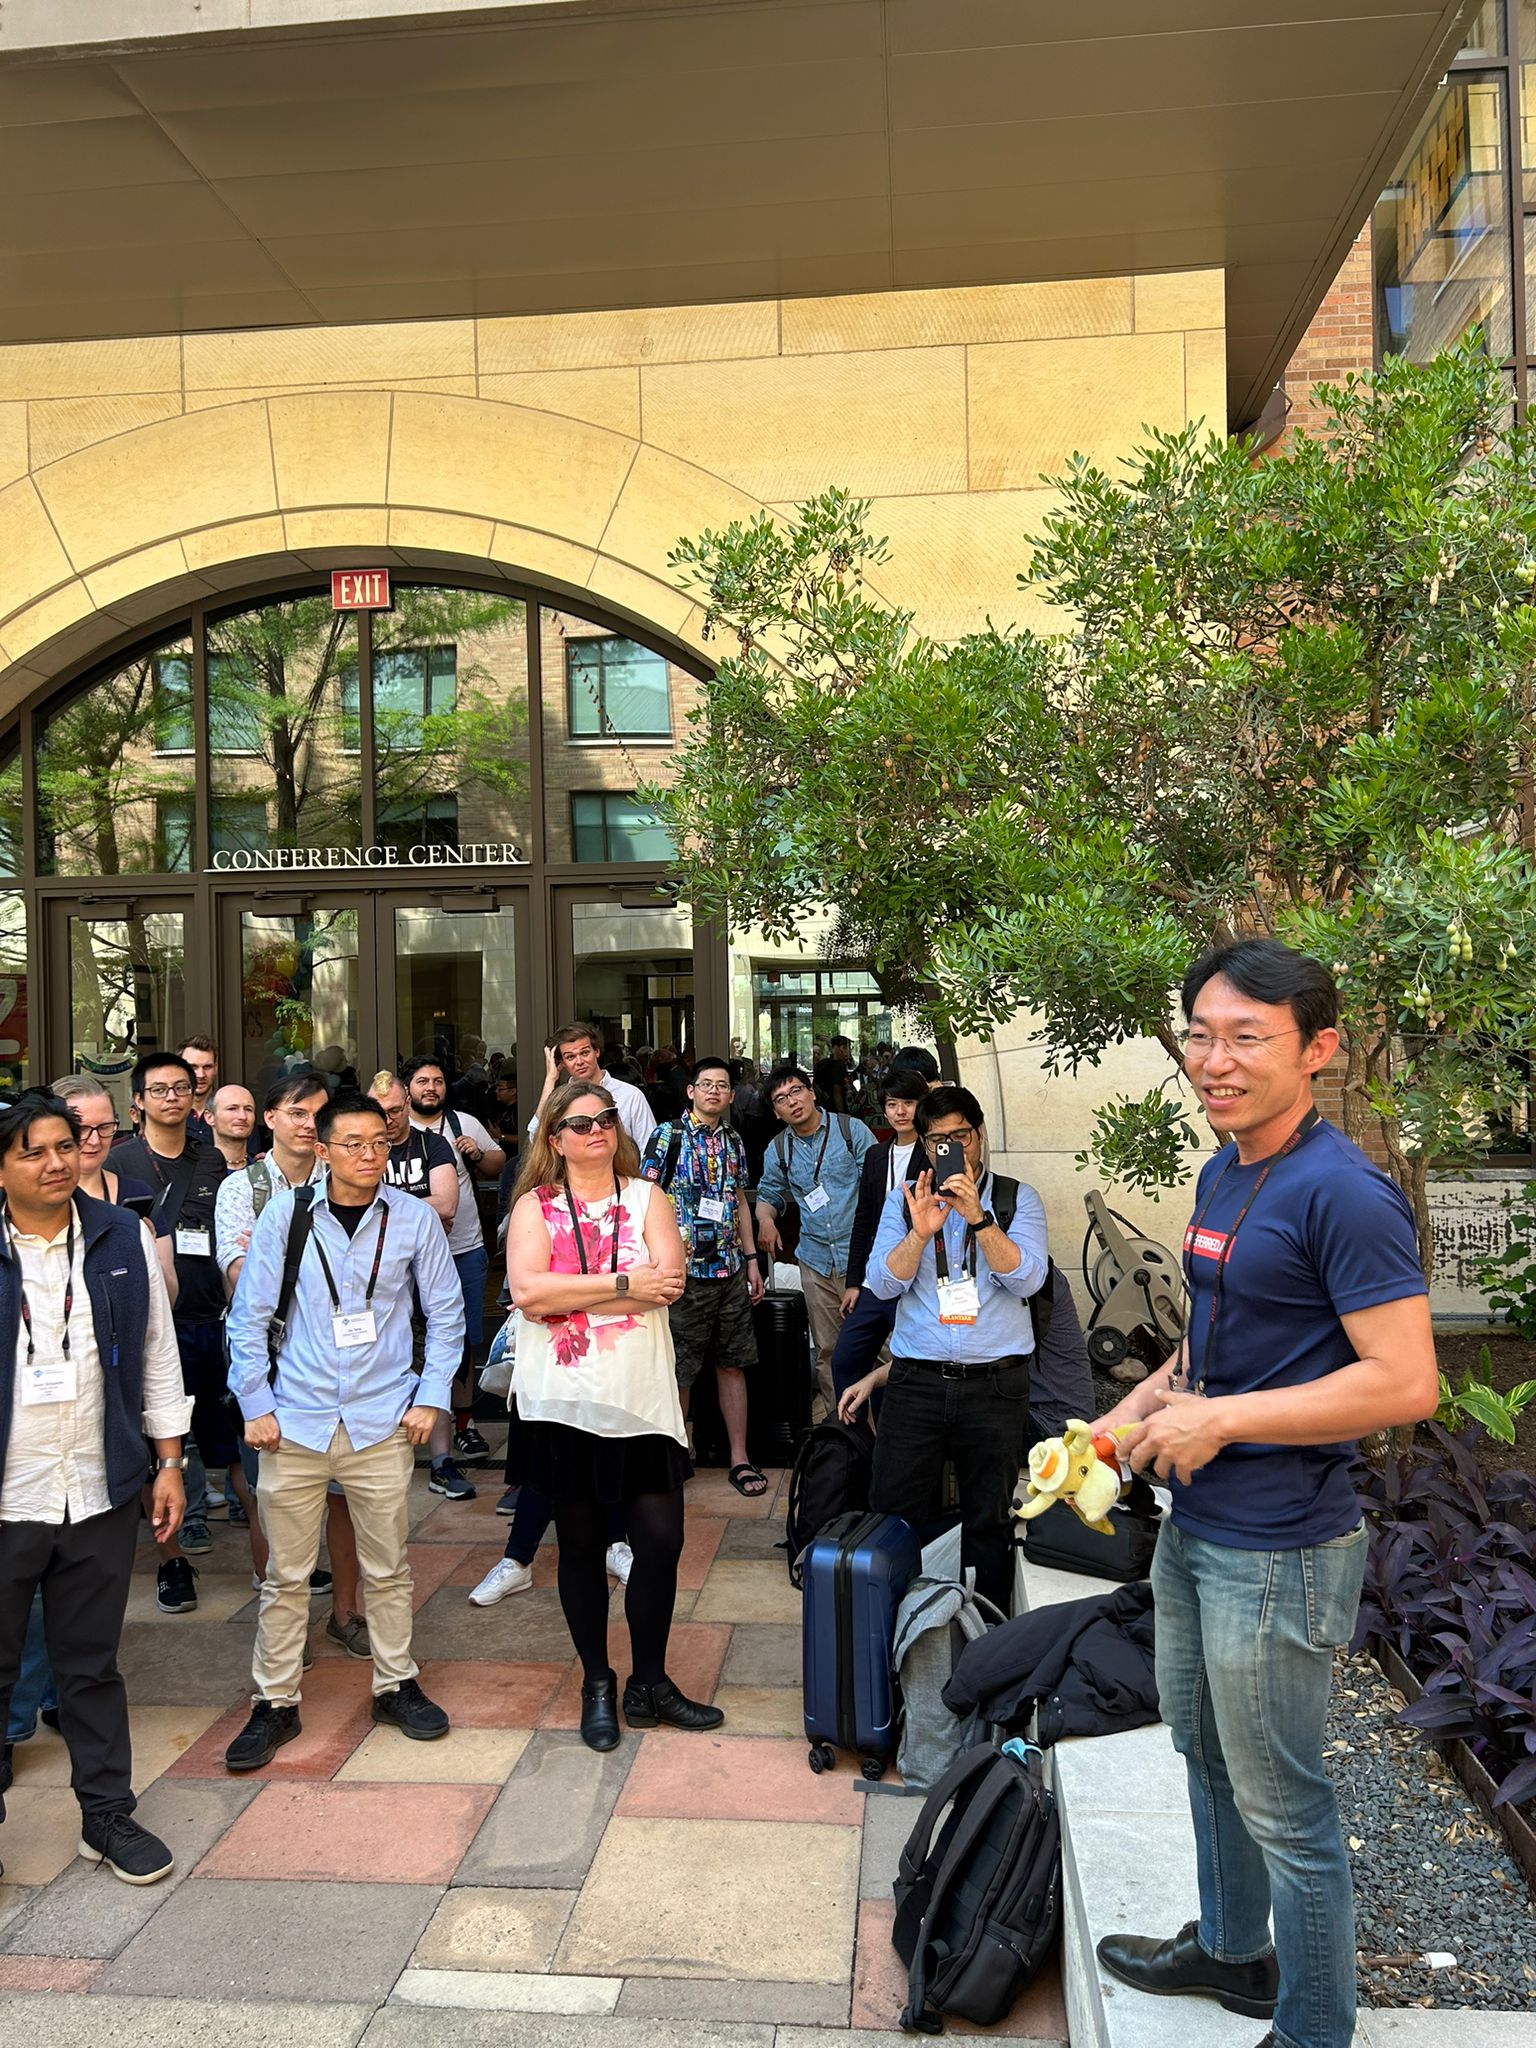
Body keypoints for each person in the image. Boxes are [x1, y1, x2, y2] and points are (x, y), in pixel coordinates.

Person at [1093, 941, 1437, 2048]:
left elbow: (1406, 1381)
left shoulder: (1345, 1192)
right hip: (1197, 1528)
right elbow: (1214, 1335)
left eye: (1247, 1036)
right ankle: (1234, 1947)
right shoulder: (1228, 1167)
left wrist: (1223, 1420)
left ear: (1318, 1048)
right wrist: (1140, 1405)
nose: (1214, 1060)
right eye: (1201, 1033)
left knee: (1286, 1802)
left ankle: (1312, 2028)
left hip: (1281, 1544)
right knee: (1198, 1747)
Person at [223, 1090, 465, 1771]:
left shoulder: (413, 1218)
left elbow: (446, 1317)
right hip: (294, 1420)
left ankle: (395, 1684)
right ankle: (274, 1702)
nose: (368, 1155)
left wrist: (431, 1397)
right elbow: (248, 1316)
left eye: (379, 1143)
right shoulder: (285, 1215)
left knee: (388, 1568)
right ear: (321, 1150)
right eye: (351, 1143)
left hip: (383, 1418)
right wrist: (255, 1402)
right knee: (286, 1575)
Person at [0, 1090, 192, 1884]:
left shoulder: (120, 1236)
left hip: (97, 1488)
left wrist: (170, 1460)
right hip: (10, 1497)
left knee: (90, 1664)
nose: (55, 1163)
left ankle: (106, 1816)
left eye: (64, 1145)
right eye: (31, 1151)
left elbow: (156, 1350)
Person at [506, 1080, 721, 1751]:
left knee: (660, 1543)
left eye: (603, 1120)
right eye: (578, 1123)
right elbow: (525, 1293)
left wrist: (568, 1296)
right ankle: (597, 1681)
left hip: (642, 1400)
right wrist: (625, 1285)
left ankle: (649, 1682)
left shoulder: (647, 1197)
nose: (594, 1131)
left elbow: (671, 1283)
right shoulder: (533, 1208)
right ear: (555, 1139)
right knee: (579, 1546)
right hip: (562, 1406)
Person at [854, 1085, 1048, 1613]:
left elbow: (1028, 1280)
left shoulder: (1015, 1198)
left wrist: (979, 1219)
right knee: (893, 1513)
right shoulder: (905, 1200)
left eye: (958, 1136)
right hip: (917, 1381)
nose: (949, 1149)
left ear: (978, 1136)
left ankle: (986, 1641)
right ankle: (892, 1637)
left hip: (996, 1383)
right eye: (935, 1140)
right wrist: (919, 1234)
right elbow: (880, 1283)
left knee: (989, 1519)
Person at [216, 1073, 364, 1658]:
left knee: (345, 1495)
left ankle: (346, 1613)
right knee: (273, 1495)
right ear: (269, 1118)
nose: (309, 1123)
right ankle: (286, 1627)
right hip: (273, 1363)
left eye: (319, 1113)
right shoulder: (243, 1189)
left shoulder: (351, 1179)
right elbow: (237, 1277)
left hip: (347, 1362)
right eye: (296, 1111)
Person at [111, 1052, 230, 1612]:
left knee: (226, 1437)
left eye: (181, 1088)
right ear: (137, 1101)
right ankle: (170, 1560)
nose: (171, 1098)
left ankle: (265, 1555)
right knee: (161, 1448)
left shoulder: (212, 1161)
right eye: (158, 1090)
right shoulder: (119, 1163)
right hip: (154, 1326)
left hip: (211, 1316)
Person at [640, 1056, 766, 1496]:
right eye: (706, 1084)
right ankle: (677, 1456)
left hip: (730, 1270)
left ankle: (739, 1458)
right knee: (680, 1370)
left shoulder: (734, 1140)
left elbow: (740, 1203)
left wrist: (752, 1260)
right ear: (690, 1091)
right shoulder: (667, 1136)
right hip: (683, 1273)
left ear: (732, 1096)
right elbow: (646, 1198)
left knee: (733, 1364)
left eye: (722, 1086)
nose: (714, 1091)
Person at [402, 1054, 505, 1490]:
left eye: (438, 1081)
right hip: (402, 1260)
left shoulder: (463, 1123)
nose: (431, 1088)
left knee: (462, 1341)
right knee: (403, 1343)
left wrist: (478, 1153)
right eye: (422, 1081)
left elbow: (499, 1164)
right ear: (406, 1089)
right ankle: (407, 1429)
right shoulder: (386, 1134)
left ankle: (464, 1424)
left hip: (462, 1250)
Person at [754, 1063, 875, 1412]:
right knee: (828, 1350)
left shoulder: (850, 1131)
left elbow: (879, 1187)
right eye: (781, 1099)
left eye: (796, 1091)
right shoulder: (778, 1149)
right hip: (816, 1260)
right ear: (776, 1112)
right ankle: (843, 1434)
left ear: (811, 1092)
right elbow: (769, 1194)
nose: (792, 1102)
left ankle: (886, 1433)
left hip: (862, 1257)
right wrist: (765, 1219)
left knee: (879, 1346)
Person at [830, 1069, 928, 1404]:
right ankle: (857, 1445)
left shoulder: (933, 1153)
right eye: (892, 1104)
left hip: (917, 1277)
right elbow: (863, 1219)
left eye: (909, 1103)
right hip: (875, 1278)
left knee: (902, 1364)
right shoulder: (876, 1155)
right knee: (845, 1360)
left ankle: (888, 1443)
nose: (900, 1111)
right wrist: (854, 1281)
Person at [530, 1024, 657, 1155]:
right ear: (562, 1062)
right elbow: (535, 1140)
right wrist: (550, 1079)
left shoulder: (630, 1095)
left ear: (596, 1051)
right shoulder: (561, 1100)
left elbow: (650, 1149)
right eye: (570, 1057)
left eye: (585, 1053)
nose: (579, 1061)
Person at [369, 1072, 457, 1227]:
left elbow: (446, 1205)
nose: (388, 1120)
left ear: (408, 1103)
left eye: (395, 1110)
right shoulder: (362, 1150)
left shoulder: (432, 1143)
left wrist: (380, 1213)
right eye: (379, 1112)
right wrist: (424, 1211)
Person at [206, 1084, 257, 1173]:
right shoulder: (196, 1172)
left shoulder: (263, 1174)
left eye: (248, 1109)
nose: (243, 1116)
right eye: (232, 1108)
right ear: (210, 1117)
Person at [179, 1035, 219, 1144]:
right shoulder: (169, 1111)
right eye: (193, 1067)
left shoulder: (233, 1110)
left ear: (216, 1068)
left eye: (207, 1067)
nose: (201, 1075)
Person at [813, 1033, 855, 1116]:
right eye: (846, 1047)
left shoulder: (827, 1064)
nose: (848, 1051)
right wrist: (842, 1114)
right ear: (838, 1048)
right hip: (835, 1110)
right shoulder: (837, 1067)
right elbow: (837, 1092)